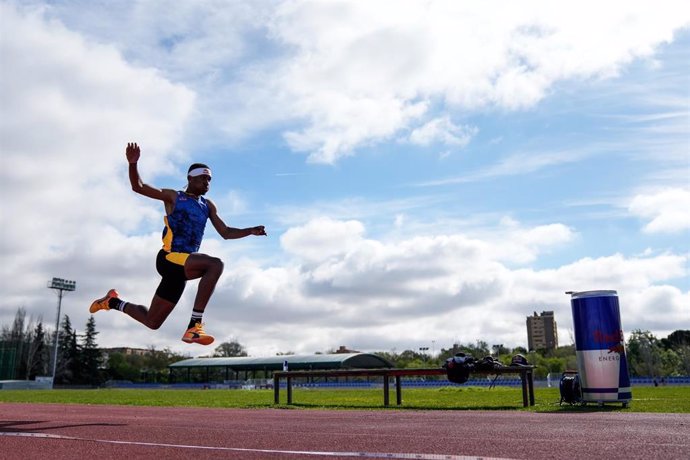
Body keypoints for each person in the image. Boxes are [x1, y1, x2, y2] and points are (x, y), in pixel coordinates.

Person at [89, 142, 266, 345]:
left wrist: (250, 231)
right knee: (215, 264)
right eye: (203, 178)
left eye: (210, 179)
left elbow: (225, 232)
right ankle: (194, 326)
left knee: (152, 321)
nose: (207, 182)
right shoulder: (174, 197)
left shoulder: (208, 206)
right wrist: (133, 163)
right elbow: (138, 187)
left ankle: (112, 302)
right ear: (190, 178)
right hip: (169, 259)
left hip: (182, 267)